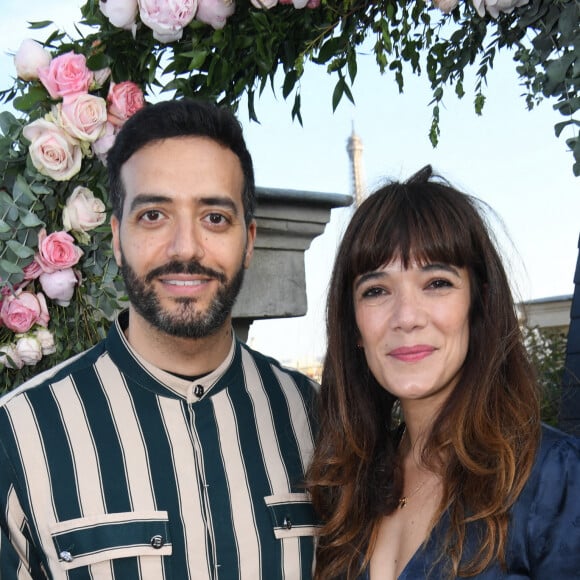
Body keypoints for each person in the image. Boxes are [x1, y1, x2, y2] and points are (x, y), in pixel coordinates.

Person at [0, 99, 319, 579]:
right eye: (153, 215)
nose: (186, 247)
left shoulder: (316, 418)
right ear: (116, 237)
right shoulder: (20, 435)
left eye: (215, 217)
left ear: (249, 240)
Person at [307, 165, 580, 579]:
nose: (407, 317)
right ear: (354, 326)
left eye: (436, 283)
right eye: (376, 291)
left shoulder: (554, 478)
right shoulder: (348, 485)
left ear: (479, 303)